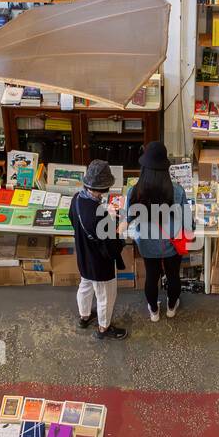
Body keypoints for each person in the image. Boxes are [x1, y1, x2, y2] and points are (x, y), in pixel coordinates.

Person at [127, 141, 186, 321]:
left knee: (151, 276)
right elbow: (184, 219)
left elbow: (129, 219)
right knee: (173, 274)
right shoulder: (177, 191)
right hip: (172, 244)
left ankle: (153, 311)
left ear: (144, 167)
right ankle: (171, 308)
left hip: (147, 244)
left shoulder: (134, 192)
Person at [69, 159, 127, 340]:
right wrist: (121, 228)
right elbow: (112, 245)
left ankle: (84, 317)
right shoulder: (100, 215)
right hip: (100, 263)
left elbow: (74, 220)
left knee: (85, 286)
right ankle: (104, 328)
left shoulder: (77, 199)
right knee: (106, 296)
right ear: (105, 188)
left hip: (83, 255)